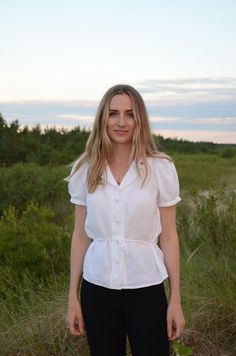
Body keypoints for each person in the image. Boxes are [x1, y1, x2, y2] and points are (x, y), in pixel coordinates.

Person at [65, 84, 185, 356]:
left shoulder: (160, 168)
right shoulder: (84, 169)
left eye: (130, 114)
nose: (121, 122)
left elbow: (168, 236)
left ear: (139, 119)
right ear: (102, 119)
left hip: (147, 288)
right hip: (97, 290)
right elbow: (81, 235)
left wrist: (175, 297)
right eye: (113, 113)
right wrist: (73, 296)